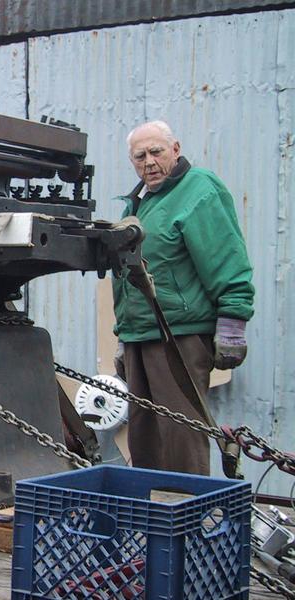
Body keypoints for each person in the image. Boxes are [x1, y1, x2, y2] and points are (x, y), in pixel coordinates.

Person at [112, 120, 254, 475]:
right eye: (140, 156)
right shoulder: (140, 203)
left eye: (156, 152)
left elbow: (225, 257)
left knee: (180, 435)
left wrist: (232, 323)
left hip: (179, 335)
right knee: (143, 436)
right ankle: (149, 504)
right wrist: (124, 335)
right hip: (140, 334)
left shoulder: (198, 190)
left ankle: (188, 506)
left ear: (175, 149)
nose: (149, 162)